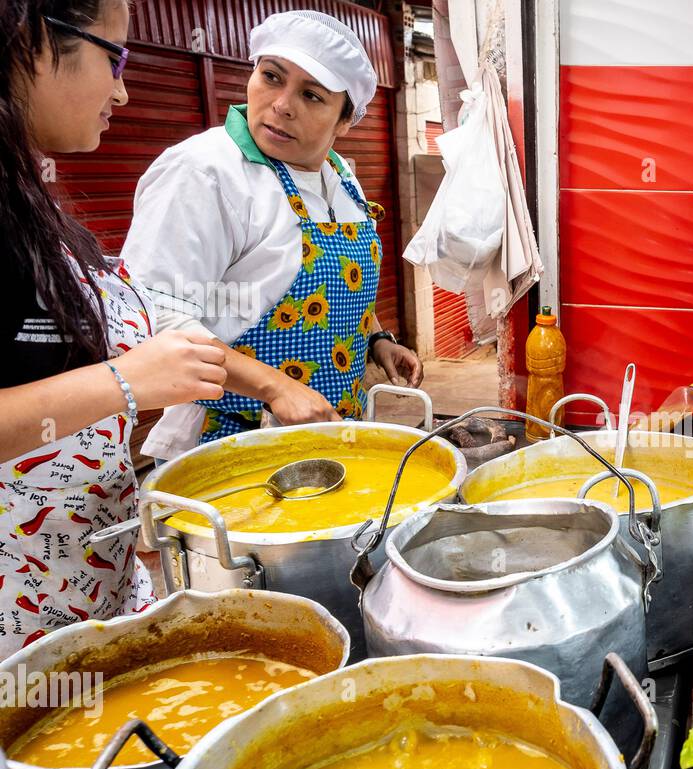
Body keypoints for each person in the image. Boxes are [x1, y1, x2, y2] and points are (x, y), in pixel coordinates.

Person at [0, 0, 228, 656]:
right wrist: (124, 381)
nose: (124, 90)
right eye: (115, 57)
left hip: (89, 597)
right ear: (35, 38)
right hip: (21, 632)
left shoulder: (27, 196)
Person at [123, 10, 423, 461]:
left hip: (331, 430)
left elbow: (339, 283)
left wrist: (378, 340)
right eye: (271, 76)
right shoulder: (204, 172)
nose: (282, 104)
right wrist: (275, 387)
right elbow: (153, 316)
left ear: (345, 122)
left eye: (312, 95)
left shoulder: (340, 176)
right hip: (228, 442)